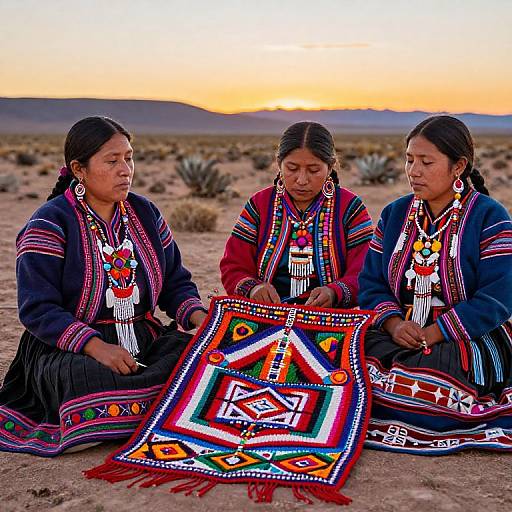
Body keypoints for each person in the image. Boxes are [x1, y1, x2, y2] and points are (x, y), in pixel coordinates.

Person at [0, 117, 207, 456]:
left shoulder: (145, 212)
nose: (125, 169)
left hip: (144, 339)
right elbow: (38, 309)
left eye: (129, 157)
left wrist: (199, 317)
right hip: (71, 349)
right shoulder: (49, 223)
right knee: (89, 384)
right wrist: (96, 346)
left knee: (200, 361)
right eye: (112, 161)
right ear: (79, 169)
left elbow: (175, 282)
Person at [359, 115, 512, 453]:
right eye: (409, 160)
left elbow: (498, 298)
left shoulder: (490, 217)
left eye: (426, 162)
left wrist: (434, 332)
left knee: (437, 384)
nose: (413, 171)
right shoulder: (394, 214)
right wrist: (394, 323)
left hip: (466, 337)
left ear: (458, 166)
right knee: (342, 360)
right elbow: (370, 283)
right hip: (397, 333)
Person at [221, 121, 372, 307]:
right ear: (279, 164)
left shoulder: (350, 208)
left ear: (330, 167)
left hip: (329, 321)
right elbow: (233, 266)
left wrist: (335, 292)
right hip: (265, 315)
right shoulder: (259, 205)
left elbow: (366, 272)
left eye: (314, 170)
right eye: (292, 168)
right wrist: (253, 289)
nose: (301, 180)